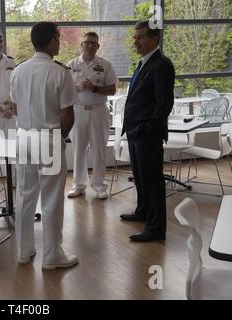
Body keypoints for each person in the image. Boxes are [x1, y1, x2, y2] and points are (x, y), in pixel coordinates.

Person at [10, 22, 80, 269]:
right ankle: (52, 256)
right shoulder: (60, 72)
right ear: (51, 41)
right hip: (48, 138)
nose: (59, 43)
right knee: (51, 200)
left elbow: (15, 107)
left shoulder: (17, 71)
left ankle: (23, 251)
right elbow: (68, 116)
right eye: (58, 39)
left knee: (25, 196)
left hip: (24, 138)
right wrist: (58, 138)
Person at [119, 21, 175, 242]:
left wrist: (147, 128)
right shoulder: (144, 62)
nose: (136, 41)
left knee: (152, 181)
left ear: (155, 39)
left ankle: (155, 228)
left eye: (140, 37)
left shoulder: (161, 64)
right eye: (135, 37)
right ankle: (143, 211)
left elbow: (164, 104)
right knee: (141, 179)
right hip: (135, 132)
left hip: (146, 134)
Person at [66, 32, 118, 200]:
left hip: (98, 111)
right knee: (79, 149)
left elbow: (112, 89)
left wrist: (94, 88)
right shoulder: (71, 65)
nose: (89, 45)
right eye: (86, 42)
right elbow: (64, 91)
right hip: (78, 111)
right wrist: (78, 88)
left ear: (98, 46)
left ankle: (99, 186)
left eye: (93, 43)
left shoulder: (105, 65)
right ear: (81, 45)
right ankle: (78, 185)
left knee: (99, 149)